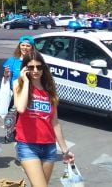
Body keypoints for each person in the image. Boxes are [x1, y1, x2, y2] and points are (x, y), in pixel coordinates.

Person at [14, 50, 74, 187]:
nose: (35, 70)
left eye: (39, 67)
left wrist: (65, 150)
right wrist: (26, 82)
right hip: (27, 145)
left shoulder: (49, 89)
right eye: (31, 67)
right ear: (25, 68)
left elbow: (55, 122)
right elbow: (21, 108)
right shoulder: (19, 85)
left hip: (49, 146)